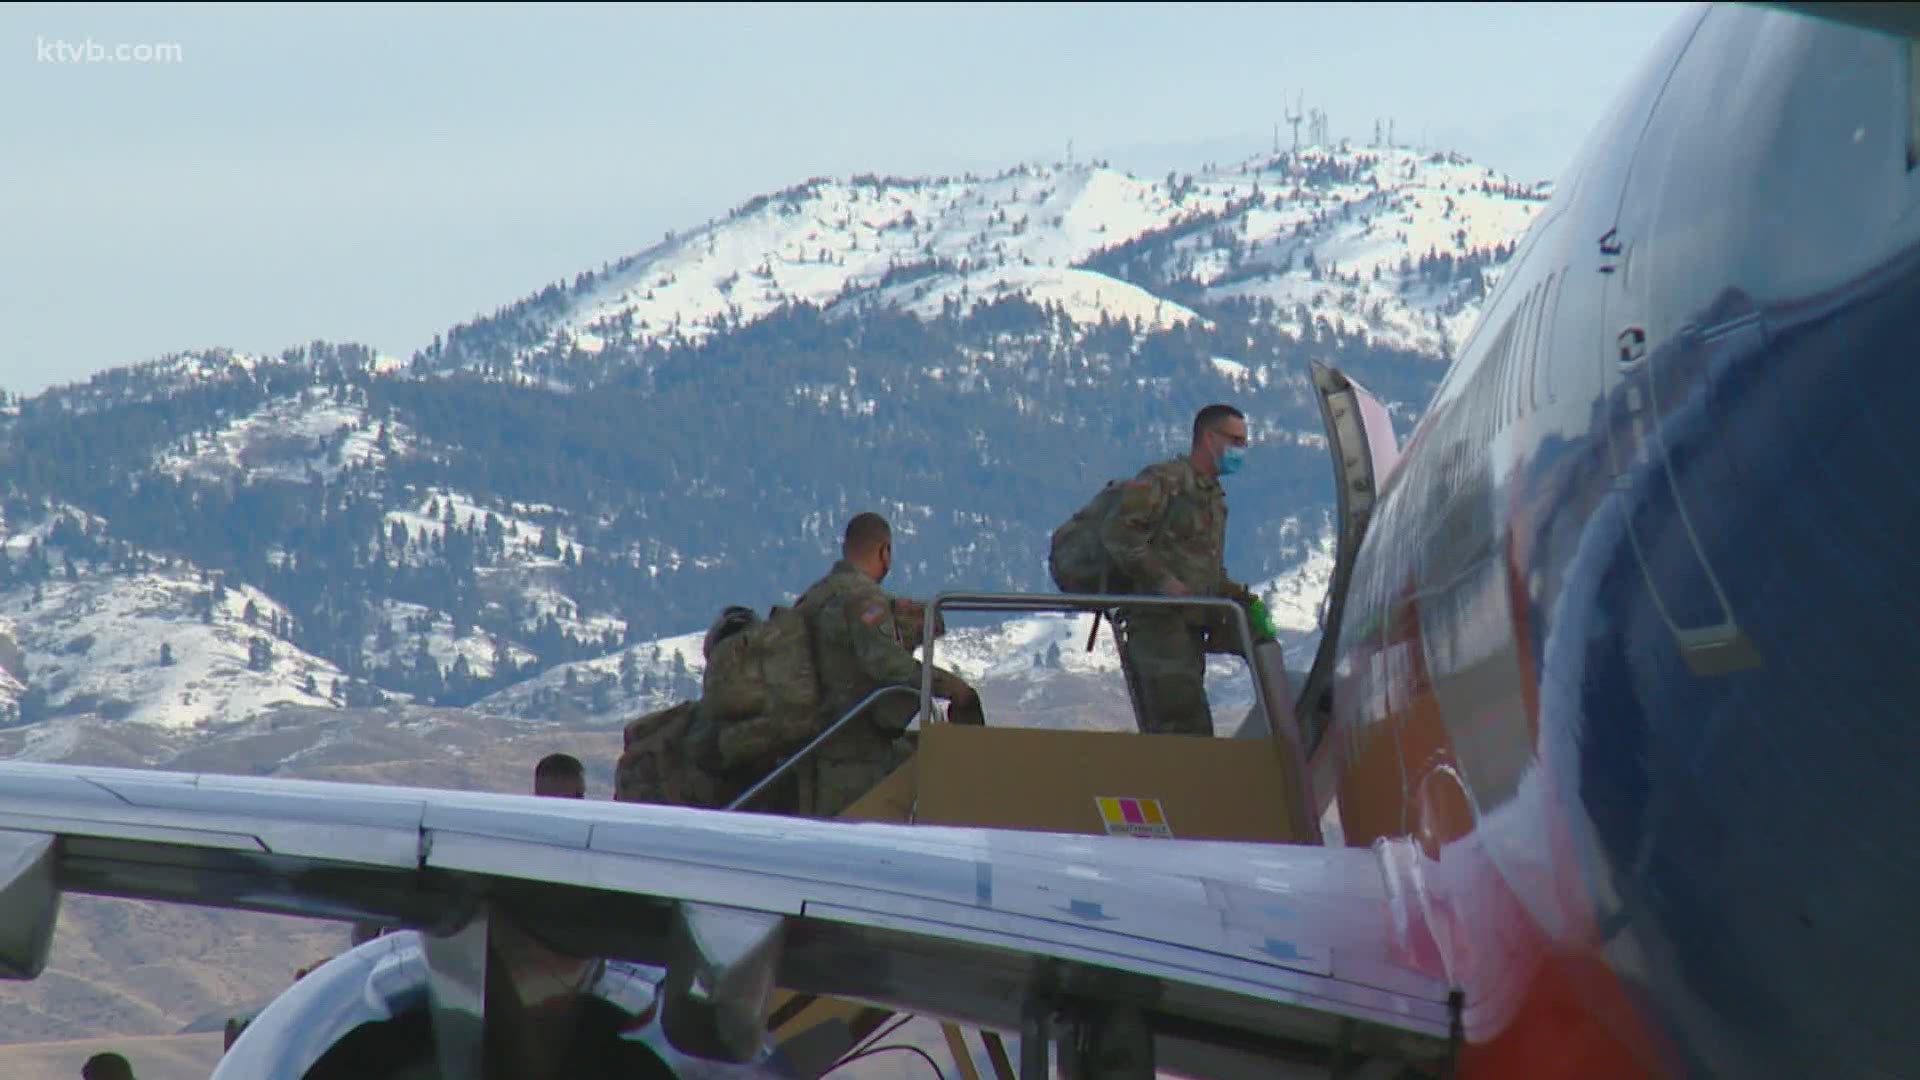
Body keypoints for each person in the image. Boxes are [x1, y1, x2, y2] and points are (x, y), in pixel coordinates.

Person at [793, 512, 980, 818]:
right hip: (855, 757)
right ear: (884, 552)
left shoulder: (816, 596)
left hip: (817, 750)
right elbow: (886, 663)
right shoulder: (864, 599)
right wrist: (952, 688)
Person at [1101, 404, 1260, 737]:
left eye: (1244, 442)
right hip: (1158, 626)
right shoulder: (1165, 481)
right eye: (1234, 440)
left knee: (1191, 726)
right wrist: (1164, 581)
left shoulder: (1211, 497)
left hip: (1188, 630)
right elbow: (1119, 534)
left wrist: (1242, 600)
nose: (1240, 450)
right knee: (1180, 727)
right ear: (1208, 437)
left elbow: (1204, 568)